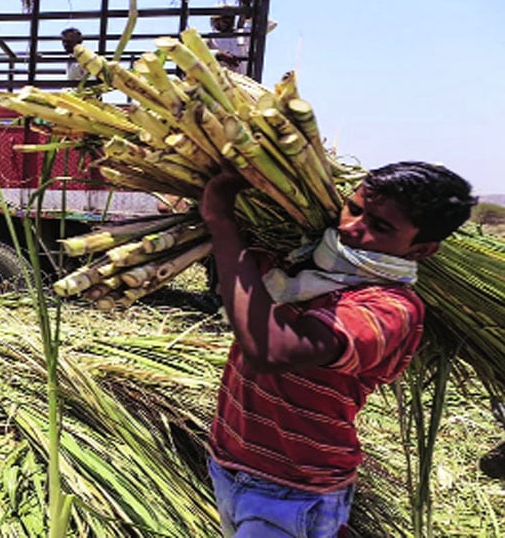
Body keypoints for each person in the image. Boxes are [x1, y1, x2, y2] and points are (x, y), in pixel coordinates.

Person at [199, 161, 476, 537]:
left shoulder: (390, 308)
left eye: (379, 226)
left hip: (294, 490)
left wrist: (221, 219)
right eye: (354, 208)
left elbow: (271, 352)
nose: (349, 227)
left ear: (422, 249)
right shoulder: (300, 265)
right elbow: (238, 278)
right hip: (232, 462)